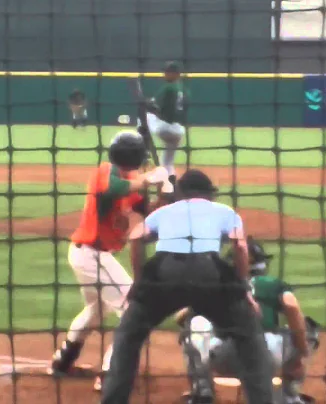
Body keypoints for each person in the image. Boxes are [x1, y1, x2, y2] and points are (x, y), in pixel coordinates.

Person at [99, 169, 276, 404]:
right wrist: (242, 288)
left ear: (181, 193)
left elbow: (135, 237)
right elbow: (241, 248)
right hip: (209, 274)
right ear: (209, 194)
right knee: (249, 338)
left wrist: (140, 282)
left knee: (127, 337)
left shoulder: (165, 211)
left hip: (165, 273)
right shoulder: (224, 211)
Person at [49, 130, 171, 389]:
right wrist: (150, 178)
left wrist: (164, 192)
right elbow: (113, 189)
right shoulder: (106, 173)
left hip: (93, 256)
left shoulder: (131, 179)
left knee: (97, 310)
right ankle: (110, 376)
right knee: (134, 309)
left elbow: (148, 213)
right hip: (91, 254)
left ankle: (62, 361)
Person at [175, 237, 321, 404]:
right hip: (266, 356)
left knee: (192, 326)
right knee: (308, 327)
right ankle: (290, 396)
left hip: (222, 358)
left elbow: (180, 317)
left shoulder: (218, 285)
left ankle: (202, 391)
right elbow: (292, 307)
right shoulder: (270, 283)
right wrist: (301, 354)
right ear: (262, 264)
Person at [138, 61, 185, 184]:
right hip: (178, 130)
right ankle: (171, 186)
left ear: (175, 74)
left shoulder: (168, 88)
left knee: (143, 117)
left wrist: (146, 103)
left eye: (167, 72)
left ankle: (144, 151)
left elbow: (157, 108)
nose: (164, 74)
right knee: (167, 163)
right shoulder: (182, 88)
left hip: (165, 127)